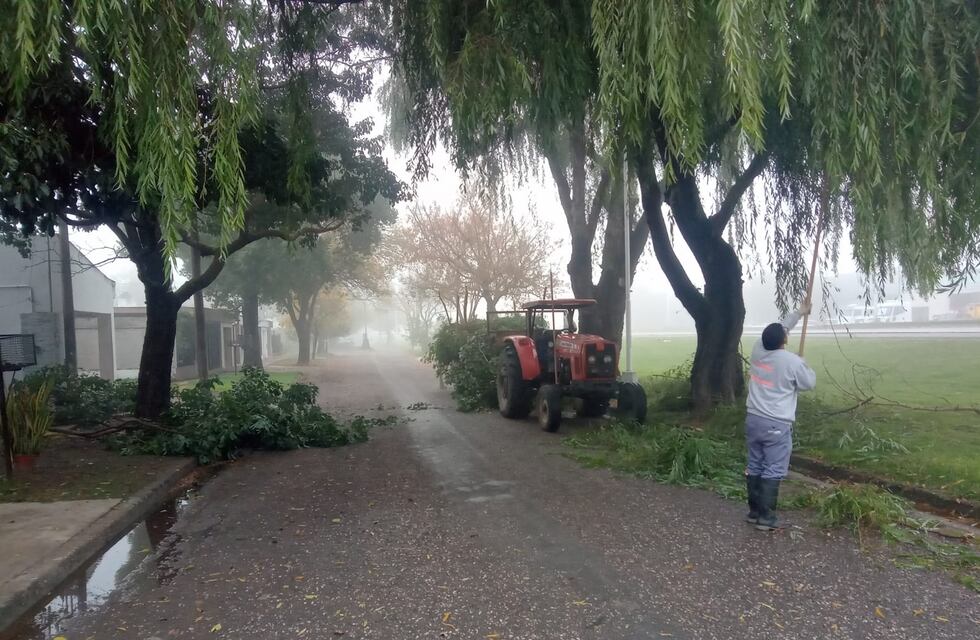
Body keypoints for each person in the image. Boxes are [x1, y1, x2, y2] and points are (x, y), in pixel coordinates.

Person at [744, 303, 816, 531]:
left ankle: (754, 512)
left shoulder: (758, 349)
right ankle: (766, 517)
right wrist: (803, 363)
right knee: (774, 468)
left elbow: (781, 327)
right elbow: (808, 383)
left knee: (755, 464)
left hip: (753, 419)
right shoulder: (791, 362)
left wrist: (799, 313)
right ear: (783, 341)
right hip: (776, 423)